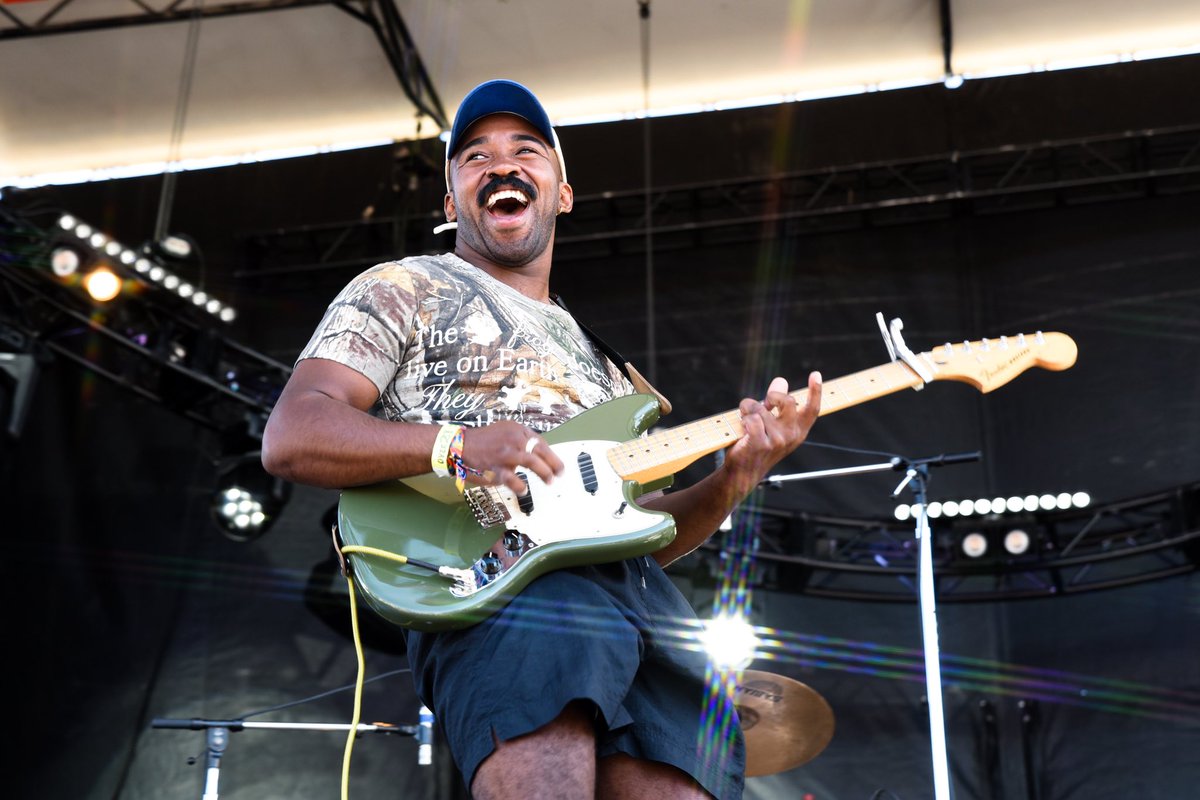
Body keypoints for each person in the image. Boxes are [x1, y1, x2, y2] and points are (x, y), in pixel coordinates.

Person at [261, 78, 822, 800]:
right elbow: (292, 432)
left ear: (561, 193)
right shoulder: (403, 287)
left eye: (526, 149)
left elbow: (643, 536)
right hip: (498, 583)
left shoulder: (617, 377)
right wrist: (456, 447)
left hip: (644, 607)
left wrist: (733, 480)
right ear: (449, 204)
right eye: (474, 157)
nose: (501, 164)